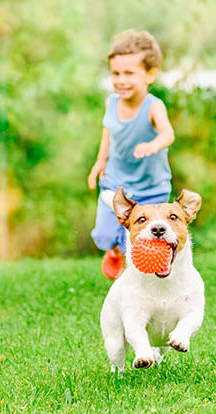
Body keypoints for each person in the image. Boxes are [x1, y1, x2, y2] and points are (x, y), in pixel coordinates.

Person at [88, 29, 175, 280]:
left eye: (129, 73)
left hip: (151, 188)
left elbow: (168, 134)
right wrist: (100, 161)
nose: (121, 80)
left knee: (141, 243)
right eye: (116, 73)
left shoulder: (153, 106)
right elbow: (109, 131)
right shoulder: (111, 102)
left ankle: (134, 279)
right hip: (116, 184)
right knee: (104, 235)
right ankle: (113, 250)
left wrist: (154, 145)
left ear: (150, 74)